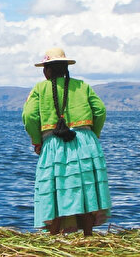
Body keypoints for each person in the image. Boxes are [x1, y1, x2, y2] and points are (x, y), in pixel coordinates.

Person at [22, 47, 111, 236]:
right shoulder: (83, 86)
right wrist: (92, 134)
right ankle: (88, 236)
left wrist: (37, 141)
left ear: (47, 70)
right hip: (84, 143)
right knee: (86, 189)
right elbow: (100, 110)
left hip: (54, 144)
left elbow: (29, 116)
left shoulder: (39, 89)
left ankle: (52, 238)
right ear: (66, 68)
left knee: (56, 190)